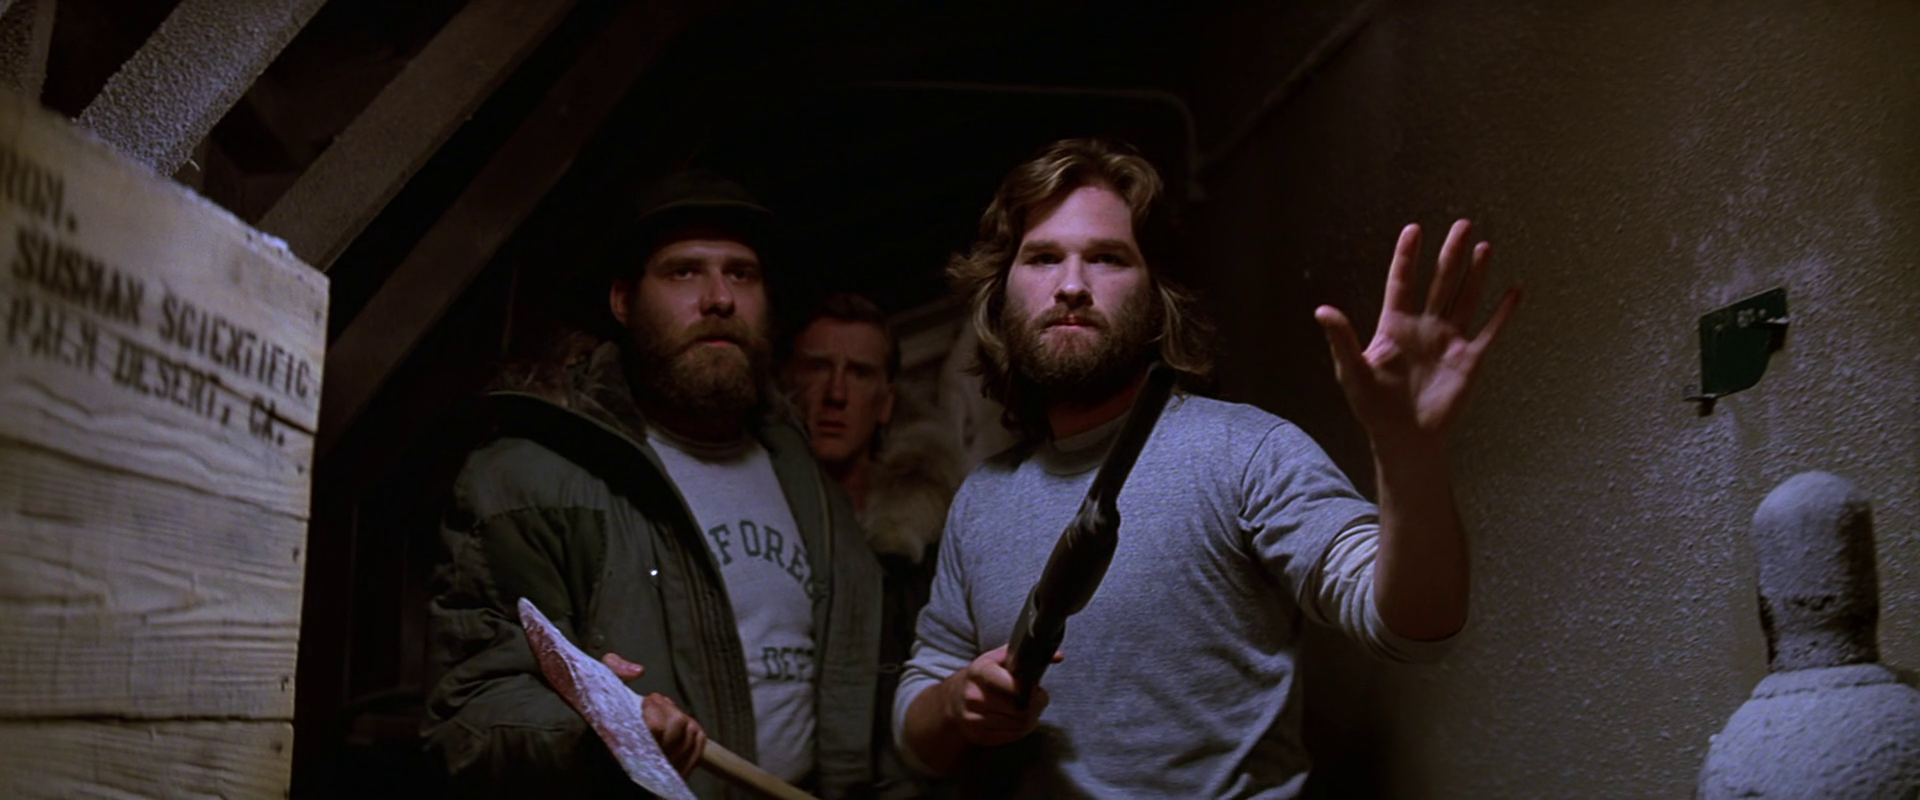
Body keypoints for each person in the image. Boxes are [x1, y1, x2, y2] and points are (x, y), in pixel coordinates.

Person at [893, 138, 1521, 797]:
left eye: (1107, 258)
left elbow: (1412, 627)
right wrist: (955, 703)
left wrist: (1409, 452)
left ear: (1156, 296)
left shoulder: (1245, 452)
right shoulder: (980, 500)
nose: (1072, 285)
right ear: (1001, 295)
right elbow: (916, 733)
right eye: (1043, 257)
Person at [422, 171, 885, 799]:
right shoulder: (530, 477)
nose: (720, 298)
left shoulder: (806, 477)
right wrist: (596, 732)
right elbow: (469, 712)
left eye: (742, 274)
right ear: (623, 300)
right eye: (684, 272)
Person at [780, 293, 966, 796]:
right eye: (818, 368)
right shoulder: (758, 527)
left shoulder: (930, 543)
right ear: (786, 382)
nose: (836, 393)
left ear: (885, 403)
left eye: (859, 373)